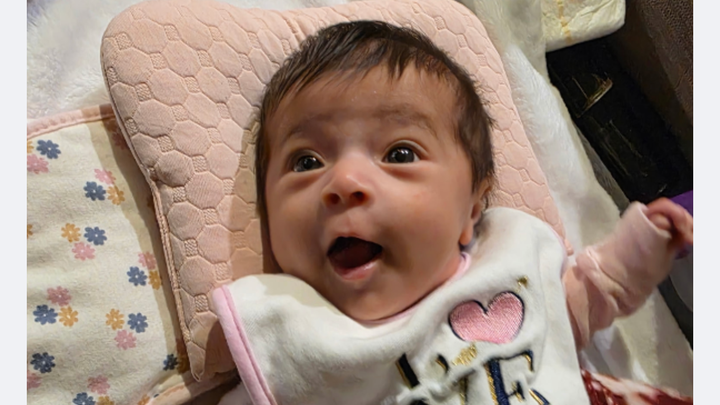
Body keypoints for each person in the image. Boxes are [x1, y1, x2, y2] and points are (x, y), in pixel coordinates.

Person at [213, 20, 693, 405]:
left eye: (400, 154)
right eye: (306, 162)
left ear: (471, 209)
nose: (344, 183)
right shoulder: (294, 342)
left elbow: (591, 293)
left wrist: (643, 246)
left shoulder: (509, 268)